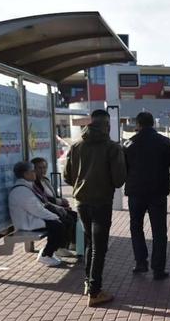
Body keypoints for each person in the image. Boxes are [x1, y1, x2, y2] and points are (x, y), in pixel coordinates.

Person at [63, 109, 126, 307]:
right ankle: (95, 291)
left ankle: (88, 283)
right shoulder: (112, 147)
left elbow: (67, 176)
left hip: (81, 202)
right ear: (106, 125)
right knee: (100, 247)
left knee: (90, 243)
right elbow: (118, 180)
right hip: (101, 202)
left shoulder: (76, 146)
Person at [124, 111, 170, 279]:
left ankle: (141, 263)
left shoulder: (129, 143)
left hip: (135, 193)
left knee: (136, 227)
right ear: (153, 124)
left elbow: (123, 166)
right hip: (158, 193)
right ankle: (158, 269)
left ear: (138, 125)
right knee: (159, 230)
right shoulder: (164, 142)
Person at [8, 161, 64, 266]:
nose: (35, 173)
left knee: (60, 222)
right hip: (26, 223)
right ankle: (45, 255)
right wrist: (54, 217)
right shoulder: (21, 190)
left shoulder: (26, 185)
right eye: (33, 171)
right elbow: (37, 210)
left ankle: (49, 252)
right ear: (25, 174)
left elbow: (39, 207)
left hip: (30, 219)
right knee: (57, 225)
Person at [30, 157, 77, 258]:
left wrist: (62, 204)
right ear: (33, 169)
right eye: (39, 168)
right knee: (65, 219)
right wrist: (60, 204)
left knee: (74, 216)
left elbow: (53, 196)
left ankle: (70, 244)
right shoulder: (34, 183)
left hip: (54, 207)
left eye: (44, 167)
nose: (43, 170)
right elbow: (44, 199)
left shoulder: (45, 180)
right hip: (46, 210)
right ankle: (60, 247)